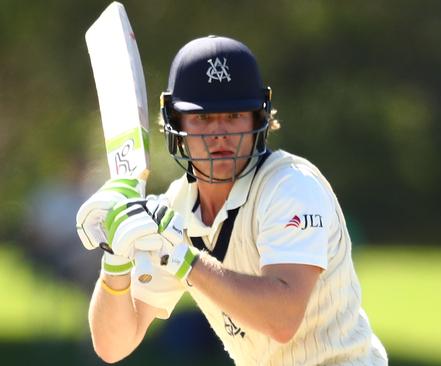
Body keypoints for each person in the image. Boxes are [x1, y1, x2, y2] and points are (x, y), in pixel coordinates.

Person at [76, 35, 388, 365]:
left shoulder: (292, 188)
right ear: (174, 123)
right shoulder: (176, 210)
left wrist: (186, 261)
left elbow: (281, 321)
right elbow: (114, 346)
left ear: (259, 118)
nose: (220, 133)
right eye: (203, 119)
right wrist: (115, 260)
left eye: (234, 114)